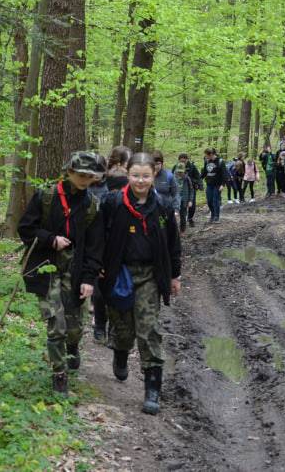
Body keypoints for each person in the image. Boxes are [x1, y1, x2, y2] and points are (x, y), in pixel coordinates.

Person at [100, 152, 182, 414]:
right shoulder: (113, 202)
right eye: (135, 175)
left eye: (145, 176)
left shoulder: (164, 206)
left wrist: (174, 275)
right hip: (119, 273)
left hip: (150, 274)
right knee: (124, 327)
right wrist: (99, 266)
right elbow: (99, 236)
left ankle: (152, 389)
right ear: (127, 173)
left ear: (153, 175)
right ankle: (120, 352)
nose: (140, 180)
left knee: (149, 329)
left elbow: (173, 244)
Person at [18, 152, 105, 395]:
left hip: (75, 270)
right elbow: (25, 228)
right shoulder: (46, 196)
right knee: (56, 325)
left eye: (89, 176)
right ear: (68, 171)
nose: (85, 179)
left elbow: (95, 246)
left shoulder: (92, 205)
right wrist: (50, 239)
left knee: (74, 325)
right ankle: (59, 374)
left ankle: (73, 347)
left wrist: (89, 279)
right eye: (81, 174)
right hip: (45, 268)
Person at [91, 146, 131, 344]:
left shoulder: (131, 205)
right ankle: (99, 324)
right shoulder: (103, 203)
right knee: (99, 293)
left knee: (118, 294)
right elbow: (95, 232)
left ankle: (115, 330)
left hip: (122, 256)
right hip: (102, 253)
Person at [201, 147, 227, 223]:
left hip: (218, 184)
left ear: (211, 154)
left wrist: (223, 184)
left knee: (215, 200)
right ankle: (212, 214)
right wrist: (199, 179)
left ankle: (216, 216)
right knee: (209, 200)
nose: (206, 157)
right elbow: (205, 172)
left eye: (207, 155)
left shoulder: (220, 161)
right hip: (209, 184)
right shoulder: (206, 161)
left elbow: (224, 174)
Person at [178, 153, 203, 227]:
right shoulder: (176, 167)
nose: (182, 163)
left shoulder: (192, 167)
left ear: (187, 160)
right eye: (181, 161)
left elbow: (198, 176)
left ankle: (190, 218)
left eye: (184, 161)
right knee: (181, 205)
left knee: (192, 205)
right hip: (180, 189)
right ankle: (182, 220)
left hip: (191, 188)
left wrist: (200, 185)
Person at [173, 162, 195, 233]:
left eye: (181, 172)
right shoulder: (172, 178)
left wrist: (190, 200)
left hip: (184, 200)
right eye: (178, 172)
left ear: (184, 171)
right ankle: (174, 231)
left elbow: (191, 190)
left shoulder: (187, 179)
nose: (180, 173)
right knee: (174, 216)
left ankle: (182, 231)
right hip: (175, 200)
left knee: (183, 216)